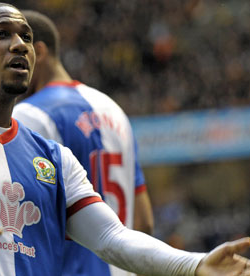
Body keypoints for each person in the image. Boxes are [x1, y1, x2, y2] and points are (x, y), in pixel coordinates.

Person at [0, 3, 250, 276]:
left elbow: (112, 237)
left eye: (26, 37)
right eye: (2, 34)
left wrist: (194, 264)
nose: (19, 44)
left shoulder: (53, 157)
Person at [12, 10, 153, 276]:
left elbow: (25, 226)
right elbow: (144, 221)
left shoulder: (29, 116)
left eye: (17, 56)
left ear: (38, 52)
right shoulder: (113, 110)